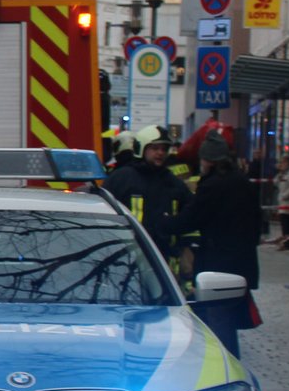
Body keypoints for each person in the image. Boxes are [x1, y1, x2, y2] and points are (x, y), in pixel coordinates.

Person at [175, 132, 261, 357]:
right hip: (242, 266)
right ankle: (230, 361)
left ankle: (225, 368)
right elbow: (258, 226)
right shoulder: (244, 182)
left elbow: (191, 218)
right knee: (228, 322)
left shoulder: (213, 185)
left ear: (207, 160)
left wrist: (165, 223)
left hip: (217, 268)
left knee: (218, 323)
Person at [104, 126, 192, 278]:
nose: (160, 153)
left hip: (165, 262)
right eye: (155, 148)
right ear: (141, 148)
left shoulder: (174, 184)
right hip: (126, 258)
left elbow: (191, 215)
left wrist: (187, 248)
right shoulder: (121, 179)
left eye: (164, 149)